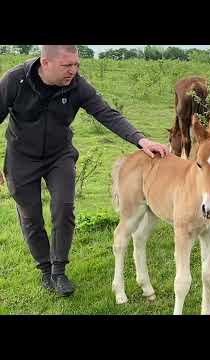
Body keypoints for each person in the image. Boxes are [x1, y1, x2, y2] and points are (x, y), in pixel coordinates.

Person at [0, 45, 169, 297]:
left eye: (76, 64)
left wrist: (140, 140)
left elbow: (106, 113)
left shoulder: (76, 85)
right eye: (67, 66)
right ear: (45, 63)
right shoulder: (16, 80)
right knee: (30, 216)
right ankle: (45, 270)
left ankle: (59, 270)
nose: (74, 70)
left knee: (64, 207)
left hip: (59, 154)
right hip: (21, 157)